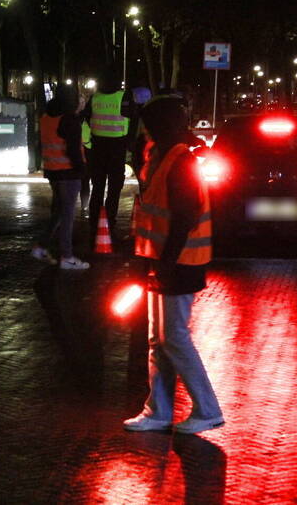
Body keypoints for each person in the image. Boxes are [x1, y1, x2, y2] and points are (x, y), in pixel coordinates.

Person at [123, 95, 224, 434]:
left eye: (149, 124)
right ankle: (157, 412)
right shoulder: (157, 154)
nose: (145, 130)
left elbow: (184, 217)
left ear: (164, 125)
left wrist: (165, 263)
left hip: (180, 262)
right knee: (159, 339)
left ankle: (207, 409)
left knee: (174, 337)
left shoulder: (182, 161)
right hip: (163, 260)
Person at [32, 84, 90, 270]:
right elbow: (73, 149)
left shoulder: (47, 117)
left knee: (58, 212)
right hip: (68, 172)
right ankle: (67, 256)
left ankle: (40, 247)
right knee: (67, 215)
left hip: (52, 171)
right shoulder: (69, 119)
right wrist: (82, 170)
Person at [83, 72, 132, 241]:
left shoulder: (95, 97)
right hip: (117, 148)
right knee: (114, 188)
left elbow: (86, 118)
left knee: (97, 187)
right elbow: (133, 119)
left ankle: (94, 220)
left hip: (98, 147)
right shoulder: (124, 96)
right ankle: (109, 220)